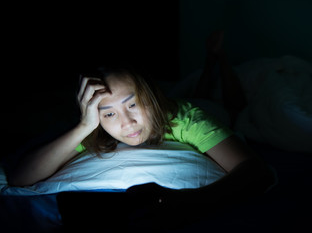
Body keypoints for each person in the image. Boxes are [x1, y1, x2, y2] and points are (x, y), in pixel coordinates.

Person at [7, 31, 275, 228]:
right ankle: (208, 64)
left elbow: (256, 172)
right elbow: (20, 178)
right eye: (109, 113)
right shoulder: (96, 126)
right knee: (200, 89)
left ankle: (218, 59)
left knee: (228, 104)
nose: (126, 123)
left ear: (150, 97)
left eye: (133, 104)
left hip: (208, 108)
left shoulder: (187, 118)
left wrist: (192, 202)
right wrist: (85, 125)